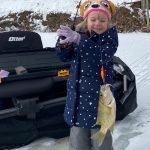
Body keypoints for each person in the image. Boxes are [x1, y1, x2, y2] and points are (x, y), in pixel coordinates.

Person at [55, 0, 118, 149]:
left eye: (102, 20)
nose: (97, 23)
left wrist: (79, 39)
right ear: (86, 20)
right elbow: (64, 57)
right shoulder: (80, 36)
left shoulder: (109, 39)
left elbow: (100, 55)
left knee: (101, 142)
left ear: (108, 22)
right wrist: (64, 44)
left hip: (99, 103)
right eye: (93, 19)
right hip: (77, 103)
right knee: (78, 143)